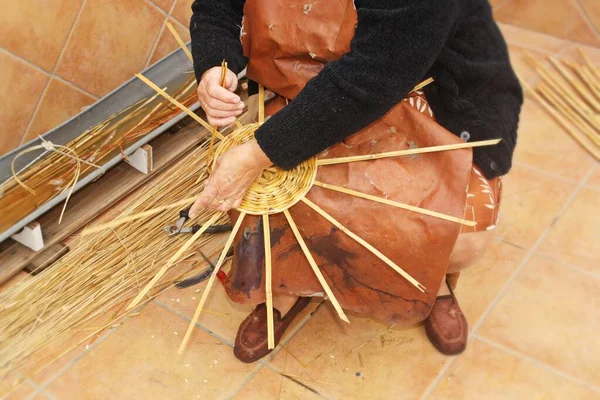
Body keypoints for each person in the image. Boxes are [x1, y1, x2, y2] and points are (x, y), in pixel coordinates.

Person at [188, 0, 522, 362]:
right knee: (276, 194)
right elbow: (215, 7)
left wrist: (256, 154)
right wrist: (214, 66)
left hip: (412, 85)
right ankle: (286, 281)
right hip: (296, 84)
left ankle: (427, 274)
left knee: (457, 231)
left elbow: (377, 71)